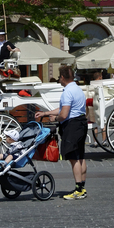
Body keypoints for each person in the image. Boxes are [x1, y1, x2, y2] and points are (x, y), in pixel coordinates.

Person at [35, 64, 88, 199]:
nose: (59, 80)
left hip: (72, 125)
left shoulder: (67, 92)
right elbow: (64, 109)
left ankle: (78, 190)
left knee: (73, 158)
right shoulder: (77, 89)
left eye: (59, 77)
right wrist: (45, 113)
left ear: (63, 77)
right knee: (81, 157)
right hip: (81, 122)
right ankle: (82, 187)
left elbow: (63, 114)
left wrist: (55, 118)